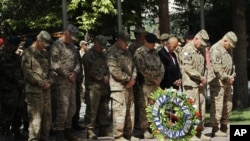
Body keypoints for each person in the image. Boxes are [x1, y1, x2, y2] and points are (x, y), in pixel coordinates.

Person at [49, 24, 81, 141]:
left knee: (72, 108)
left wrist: (75, 73)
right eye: (71, 37)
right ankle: (60, 133)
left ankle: (68, 130)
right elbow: (55, 65)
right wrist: (67, 74)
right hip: (61, 83)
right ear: (65, 34)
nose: (73, 39)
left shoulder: (72, 46)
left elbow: (78, 62)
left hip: (71, 82)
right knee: (62, 108)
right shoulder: (56, 46)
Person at [106, 31, 139, 141]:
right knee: (120, 113)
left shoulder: (128, 52)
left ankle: (128, 134)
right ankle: (118, 136)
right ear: (119, 40)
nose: (127, 44)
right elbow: (114, 71)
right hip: (119, 88)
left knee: (130, 112)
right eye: (125, 42)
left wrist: (133, 78)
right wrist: (128, 79)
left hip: (129, 87)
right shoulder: (112, 52)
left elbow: (134, 66)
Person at [21, 31, 53, 141]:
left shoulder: (45, 53)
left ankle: (45, 138)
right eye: (44, 43)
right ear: (38, 40)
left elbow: (50, 70)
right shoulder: (28, 53)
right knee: (36, 121)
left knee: (47, 118)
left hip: (46, 91)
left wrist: (50, 81)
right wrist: (41, 83)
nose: (45, 46)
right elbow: (27, 72)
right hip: (34, 92)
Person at [180, 29, 211, 141]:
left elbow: (204, 66)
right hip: (191, 85)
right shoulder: (187, 50)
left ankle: (199, 131)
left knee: (201, 110)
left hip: (200, 84)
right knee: (192, 109)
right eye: (201, 43)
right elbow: (188, 68)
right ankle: (190, 134)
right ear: (196, 38)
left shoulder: (201, 50)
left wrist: (205, 77)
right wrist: (201, 78)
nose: (201, 46)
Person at [134, 33, 165, 139]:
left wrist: (160, 77)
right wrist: (154, 79)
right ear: (146, 42)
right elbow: (141, 69)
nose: (153, 45)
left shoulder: (155, 52)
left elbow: (161, 66)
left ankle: (155, 127)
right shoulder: (139, 53)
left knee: (157, 106)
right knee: (145, 108)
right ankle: (145, 129)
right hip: (146, 85)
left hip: (157, 85)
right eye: (152, 43)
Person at [208, 31, 237, 137]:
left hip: (228, 82)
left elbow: (231, 64)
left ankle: (224, 126)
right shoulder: (216, 49)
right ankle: (215, 128)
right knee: (218, 106)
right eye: (230, 44)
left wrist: (232, 75)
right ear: (225, 40)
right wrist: (226, 77)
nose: (231, 47)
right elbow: (217, 68)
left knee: (228, 105)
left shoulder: (227, 49)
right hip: (218, 83)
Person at [82, 35, 110, 139]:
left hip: (103, 86)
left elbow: (107, 67)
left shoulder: (103, 55)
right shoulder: (88, 56)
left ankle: (103, 127)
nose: (102, 47)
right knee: (92, 110)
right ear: (96, 43)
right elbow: (90, 72)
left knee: (104, 108)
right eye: (101, 45)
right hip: (93, 87)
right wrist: (102, 78)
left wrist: (107, 76)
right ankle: (90, 130)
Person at [0, 36, 26, 140]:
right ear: (8, 44)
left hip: (18, 89)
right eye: (14, 45)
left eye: (17, 45)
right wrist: (17, 80)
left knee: (19, 110)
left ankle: (16, 130)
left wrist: (22, 80)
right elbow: (5, 72)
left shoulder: (16, 57)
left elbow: (21, 70)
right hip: (6, 90)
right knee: (7, 112)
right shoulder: (2, 57)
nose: (16, 47)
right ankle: (6, 131)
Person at [128, 25, 147, 136]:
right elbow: (132, 63)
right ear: (138, 35)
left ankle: (143, 124)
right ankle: (137, 126)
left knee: (143, 102)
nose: (144, 36)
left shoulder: (145, 45)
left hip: (144, 79)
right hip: (137, 78)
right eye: (142, 34)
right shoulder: (133, 47)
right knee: (137, 102)